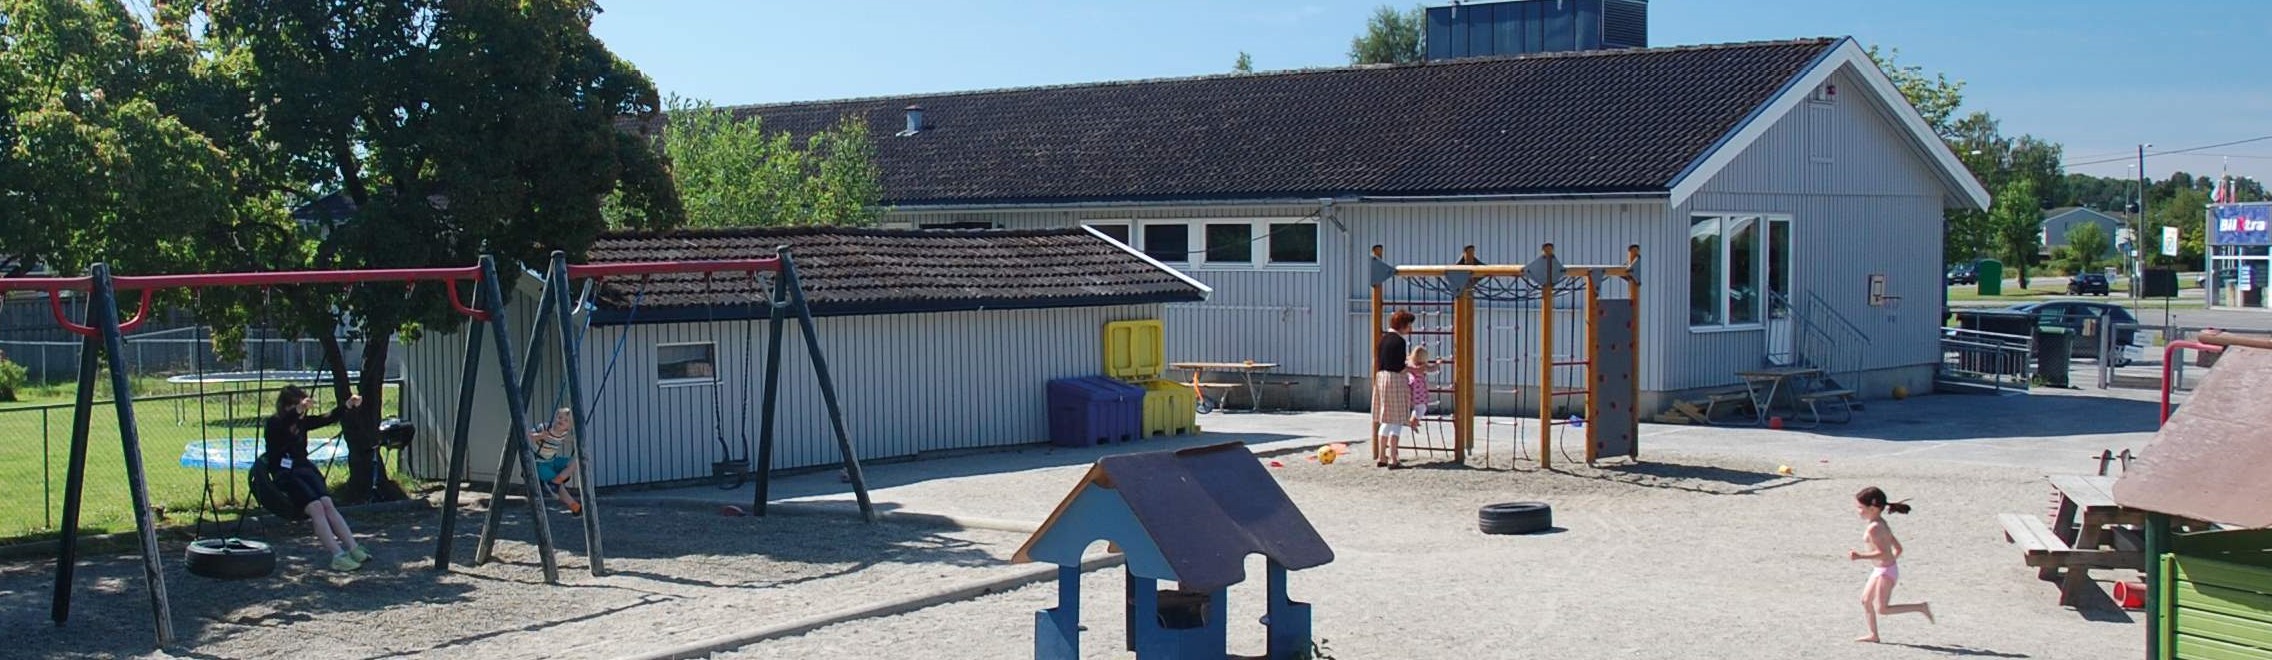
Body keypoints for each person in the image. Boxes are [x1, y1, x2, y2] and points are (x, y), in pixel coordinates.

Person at [263, 385, 369, 571]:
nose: (303, 412)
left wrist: (347, 405)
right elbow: (285, 422)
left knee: (327, 504)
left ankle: (353, 547)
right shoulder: (274, 423)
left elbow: (326, 418)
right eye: (297, 406)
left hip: (304, 469)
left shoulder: (302, 422)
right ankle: (337, 555)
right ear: (287, 406)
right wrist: (298, 410)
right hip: (286, 475)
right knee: (316, 508)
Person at [1848, 486, 1934, 642]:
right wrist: (1889, 563)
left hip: (1885, 571)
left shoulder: (1875, 528)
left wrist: (1861, 556)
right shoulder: (1881, 523)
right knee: (1866, 600)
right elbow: (1898, 548)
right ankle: (1873, 635)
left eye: (1860, 507)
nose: (1858, 511)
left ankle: (1920, 607)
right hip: (1882, 569)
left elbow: (1884, 552)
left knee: (1882, 609)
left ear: (1873, 508)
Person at [1372, 310, 1416, 468]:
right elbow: (1399, 366)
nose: (1410, 328)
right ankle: (1393, 458)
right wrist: (1415, 369)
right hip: (1395, 380)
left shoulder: (1383, 339)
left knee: (1386, 418)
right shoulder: (1399, 341)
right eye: (1409, 325)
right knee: (1397, 419)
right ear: (1402, 325)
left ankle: (1381, 456)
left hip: (1381, 378)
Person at [528, 407, 583, 516]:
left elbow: (567, 439)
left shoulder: (564, 433)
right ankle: (574, 506)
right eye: (560, 417)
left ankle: (556, 481)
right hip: (539, 463)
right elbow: (528, 436)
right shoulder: (545, 427)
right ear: (555, 417)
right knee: (560, 487)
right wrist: (539, 436)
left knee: (577, 461)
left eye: (566, 420)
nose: (561, 420)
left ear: (569, 427)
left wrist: (577, 439)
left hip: (552, 461)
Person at [1406, 345, 1437, 430]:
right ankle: (1414, 422)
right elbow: (1432, 369)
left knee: (1417, 408)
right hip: (1419, 391)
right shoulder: (1423, 367)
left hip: (1412, 389)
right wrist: (1438, 363)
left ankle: (1414, 421)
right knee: (1422, 408)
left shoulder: (1411, 364)